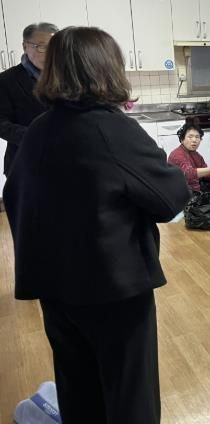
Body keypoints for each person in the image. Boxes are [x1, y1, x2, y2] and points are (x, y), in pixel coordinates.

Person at [3, 27, 191, 423]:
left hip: (55, 290)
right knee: (130, 398)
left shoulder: (39, 129)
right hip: (113, 290)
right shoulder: (111, 128)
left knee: (78, 391)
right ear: (106, 68)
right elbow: (171, 197)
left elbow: (15, 198)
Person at [0, 22, 58, 177]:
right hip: (25, 164)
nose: (50, 53)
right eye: (42, 47)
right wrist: (34, 136)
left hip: (65, 161)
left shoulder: (67, 76)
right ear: (25, 46)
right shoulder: (6, 80)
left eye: (54, 47)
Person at [168, 118, 210, 193]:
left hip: (195, 191)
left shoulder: (197, 156)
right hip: (180, 193)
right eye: (190, 137)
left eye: (197, 137)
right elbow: (189, 174)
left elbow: (206, 173)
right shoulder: (177, 154)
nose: (194, 140)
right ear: (182, 140)